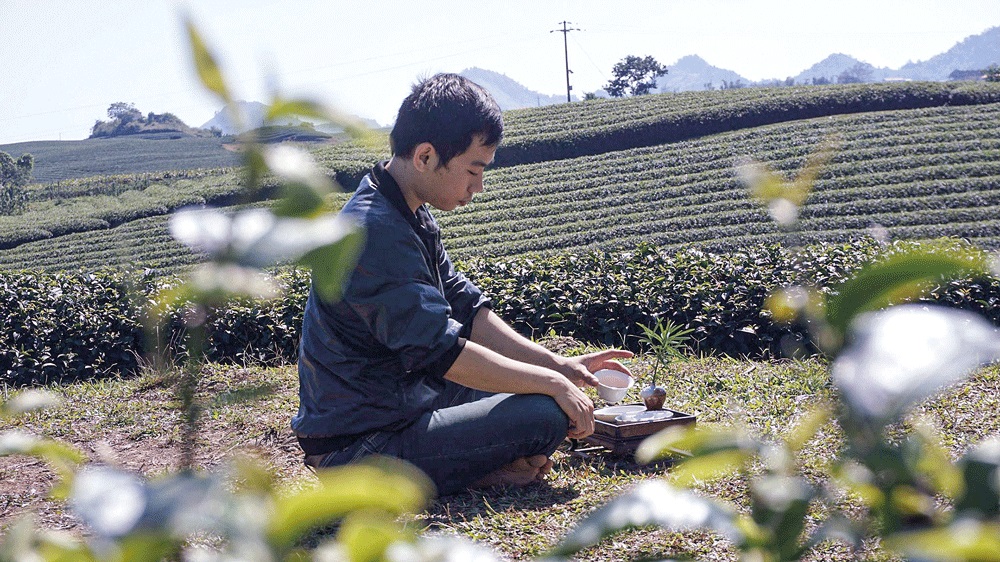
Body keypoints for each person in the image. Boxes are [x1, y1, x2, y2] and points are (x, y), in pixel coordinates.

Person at [292, 73, 632, 496]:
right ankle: (468, 474)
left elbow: (469, 312)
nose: (479, 187)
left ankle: (475, 469)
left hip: (404, 402)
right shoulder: (371, 232)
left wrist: (557, 366)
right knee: (543, 414)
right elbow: (442, 352)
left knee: (533, 392)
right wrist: (552, 384)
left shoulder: (405, 211)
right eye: (474, 170)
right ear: (425, 157)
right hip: (361, 447)